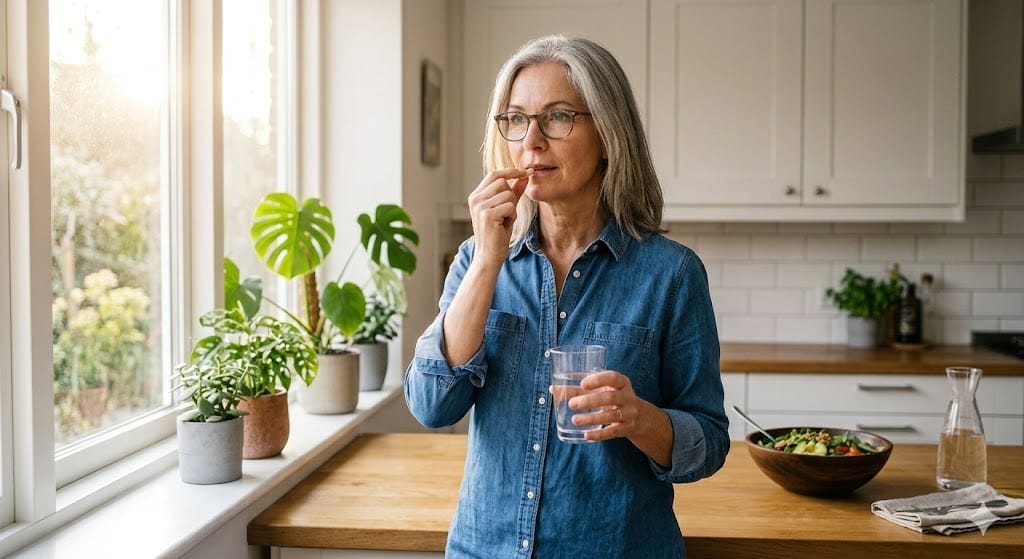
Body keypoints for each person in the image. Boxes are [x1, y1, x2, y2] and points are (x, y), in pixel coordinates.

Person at [404, 35, 729, 558]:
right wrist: (489, 260)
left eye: (557, 118)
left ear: (608, 133)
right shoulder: (476, 260)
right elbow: (431, 406)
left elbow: (708, 444)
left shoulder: (671, 275)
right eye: (515, 119)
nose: (530, 141)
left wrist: (640, 418)